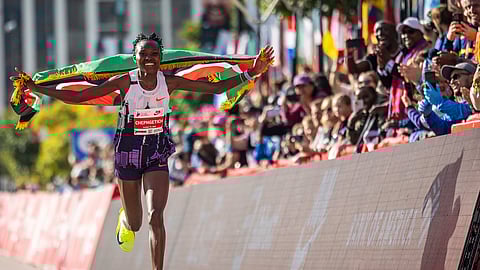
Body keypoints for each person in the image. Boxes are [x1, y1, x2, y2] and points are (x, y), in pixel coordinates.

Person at [12, 32, 274, 270]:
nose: (149, 59)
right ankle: (125, 219)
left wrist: (251, 73)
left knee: (155, 216)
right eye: (143, 55)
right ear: (135, 58)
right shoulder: (125, 82)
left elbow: (215, 87)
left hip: (157, 149)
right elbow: (81, 96)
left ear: (161, 59)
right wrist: (36, 89)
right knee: (136, 223)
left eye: (154, 55)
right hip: (128, 149)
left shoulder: (169, 82)